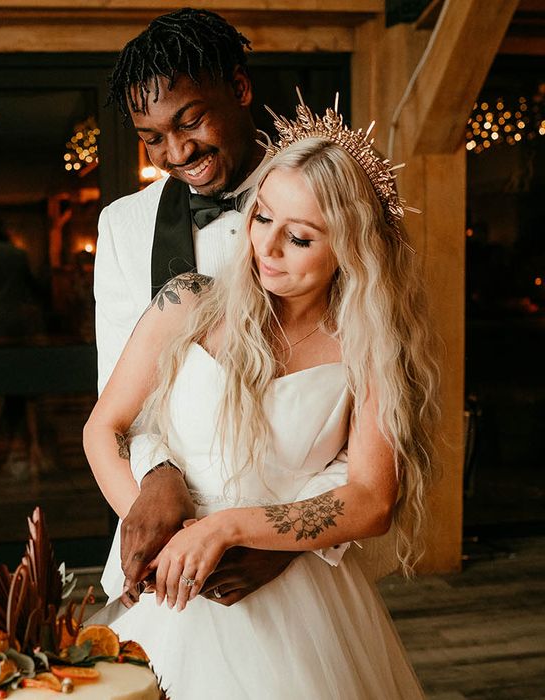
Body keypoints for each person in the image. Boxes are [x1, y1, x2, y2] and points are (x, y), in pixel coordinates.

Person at [84, 97, 438, 698]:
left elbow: (373, 498)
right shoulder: (188, 302)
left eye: (298, 238)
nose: (266, 248)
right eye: (261, 217)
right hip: (171, 590)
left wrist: (230, 529)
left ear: (352, 249)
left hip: (293, 599)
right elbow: (103, 428)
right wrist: (155, 530)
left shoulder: (370, 347)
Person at [95, 7, 353, 609]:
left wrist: (287, 539)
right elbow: (119, 396)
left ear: (238, 88)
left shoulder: (324, 203)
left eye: (191, 121)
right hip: (168, 546)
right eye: (152, 137)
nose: (177, 150)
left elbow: (356, 391)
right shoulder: (124, 227)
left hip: (295, 557)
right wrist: (157, 478)